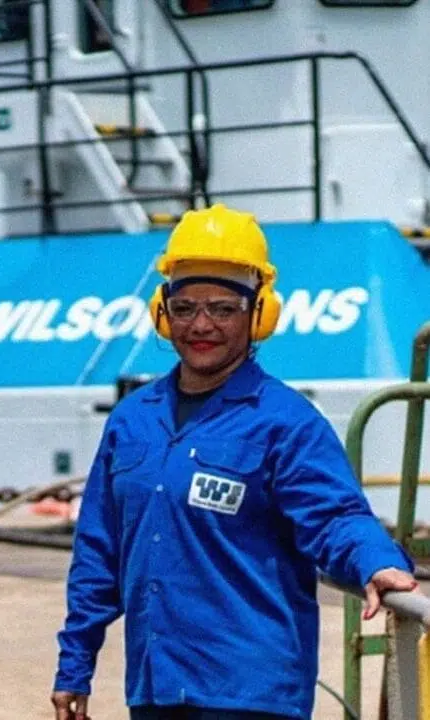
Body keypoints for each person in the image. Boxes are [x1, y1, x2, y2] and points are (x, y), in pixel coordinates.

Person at [50, 204, 419, 720]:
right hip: (156, 691)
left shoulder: (285, 422)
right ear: (163, 312)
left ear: (258, 314)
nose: (201, 325)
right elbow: (98, 553)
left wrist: (376, 562)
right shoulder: (132, 420)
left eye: (223, 309)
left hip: (252, 695)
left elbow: (335, 516)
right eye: (185, 308)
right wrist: (75, 665)